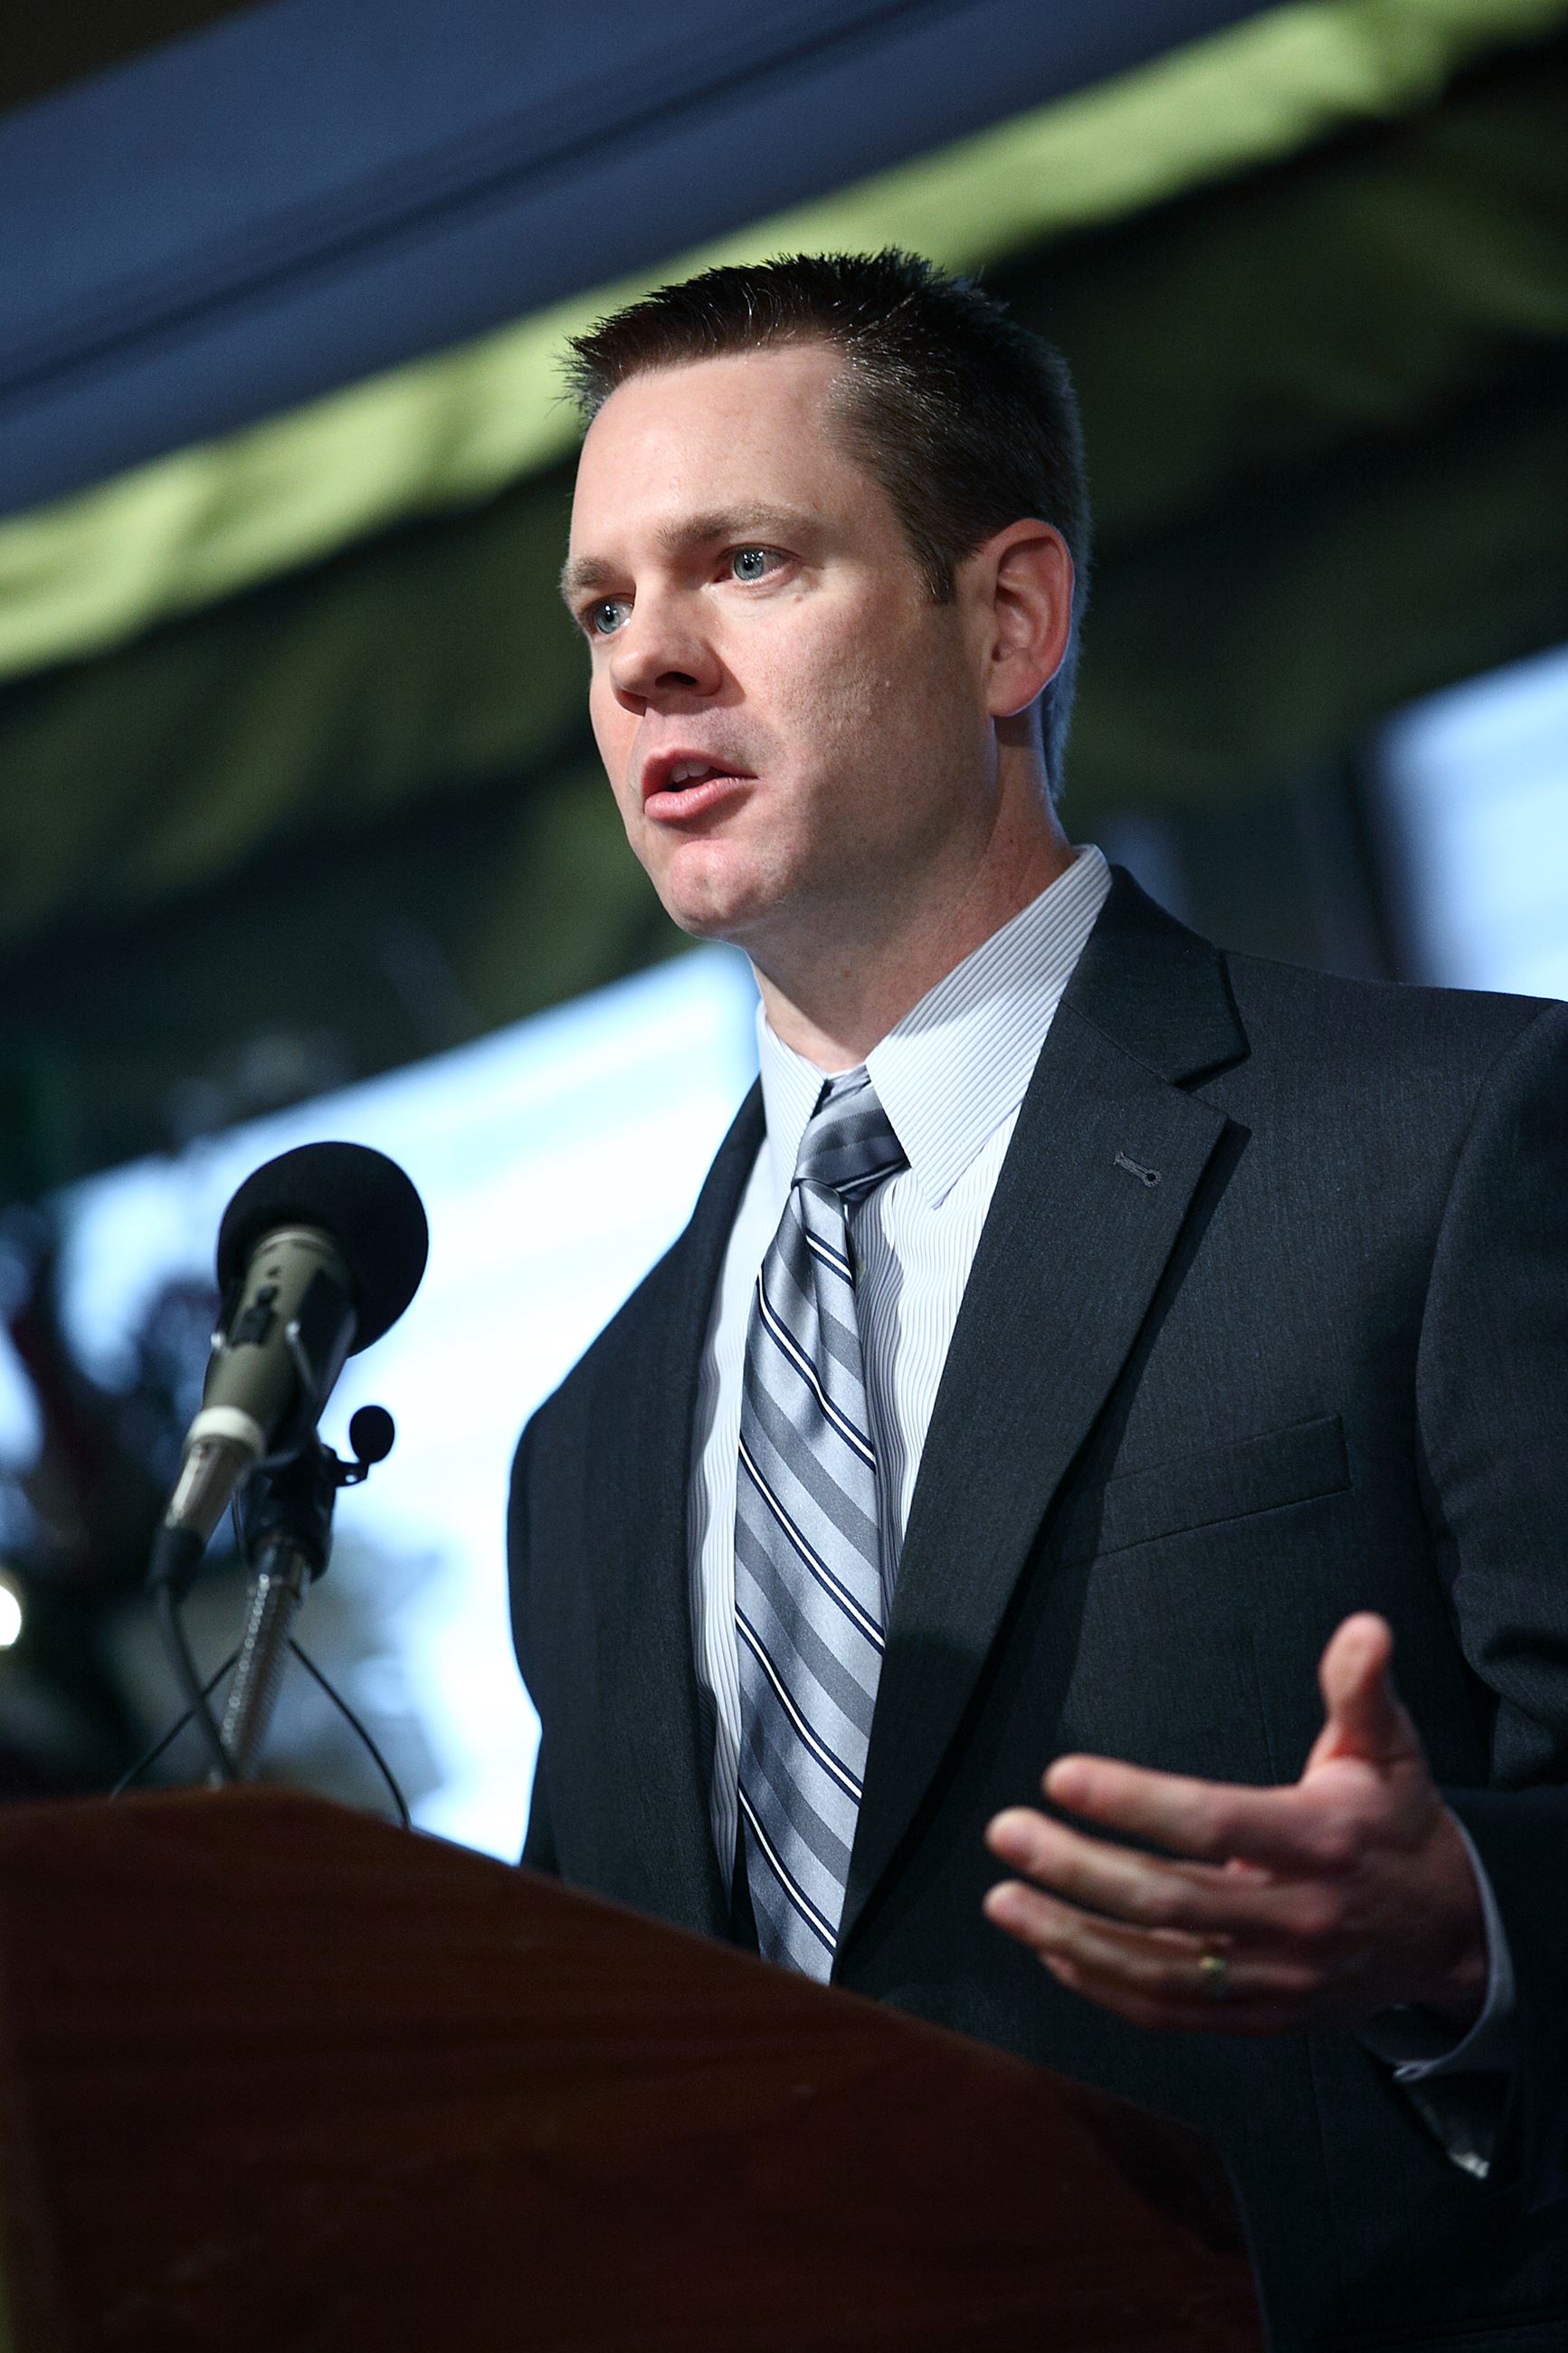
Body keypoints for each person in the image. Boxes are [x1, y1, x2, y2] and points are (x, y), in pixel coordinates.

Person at [508, 250, 1568, 2349]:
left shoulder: (1449, 1146)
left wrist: (1466, 1922)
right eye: (605, 607)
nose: (650, 665)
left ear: (1009, 619)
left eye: (746, 563)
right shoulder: (586, 1445)